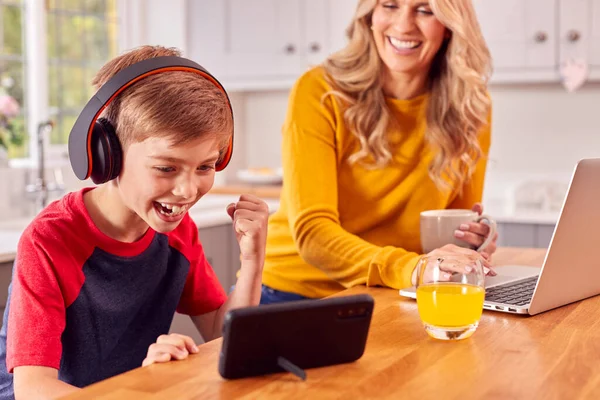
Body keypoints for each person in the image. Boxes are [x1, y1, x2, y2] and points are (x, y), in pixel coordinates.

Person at [0, 45, 269, 399]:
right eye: (166, 168)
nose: (188, 190)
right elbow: (33, 389)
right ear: (106, 156)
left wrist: (252, 261)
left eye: (205, 166)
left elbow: (222, 338)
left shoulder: (177, 232)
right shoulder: (50, 240)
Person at [260, 0, 497, 303]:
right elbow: (312, 234)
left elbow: (454, 225)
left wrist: (471, 242)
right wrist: (413, 268)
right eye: (389, 5)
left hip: (395, 292)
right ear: (370, 15)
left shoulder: (471, 106)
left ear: (449, 27)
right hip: (295, 293)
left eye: (424, 10)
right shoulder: (319, 90)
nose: (403, 25)